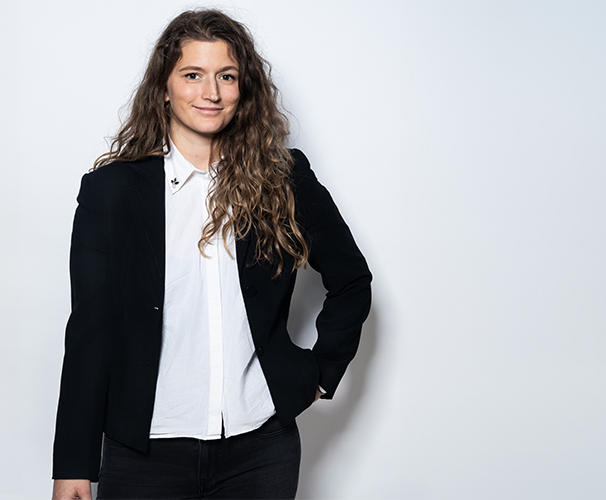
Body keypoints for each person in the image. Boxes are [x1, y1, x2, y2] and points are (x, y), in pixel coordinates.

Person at [52, 9, 371, 500]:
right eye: (193, 75)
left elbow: (351, 280)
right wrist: (72, 465)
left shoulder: (283, 179)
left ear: (244, 89)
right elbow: (90, 330)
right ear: (164, 86)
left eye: (226, 76)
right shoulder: (111, 191)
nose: (211, 92)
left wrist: (320, 375)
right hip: (144, 454)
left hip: (261, 451)